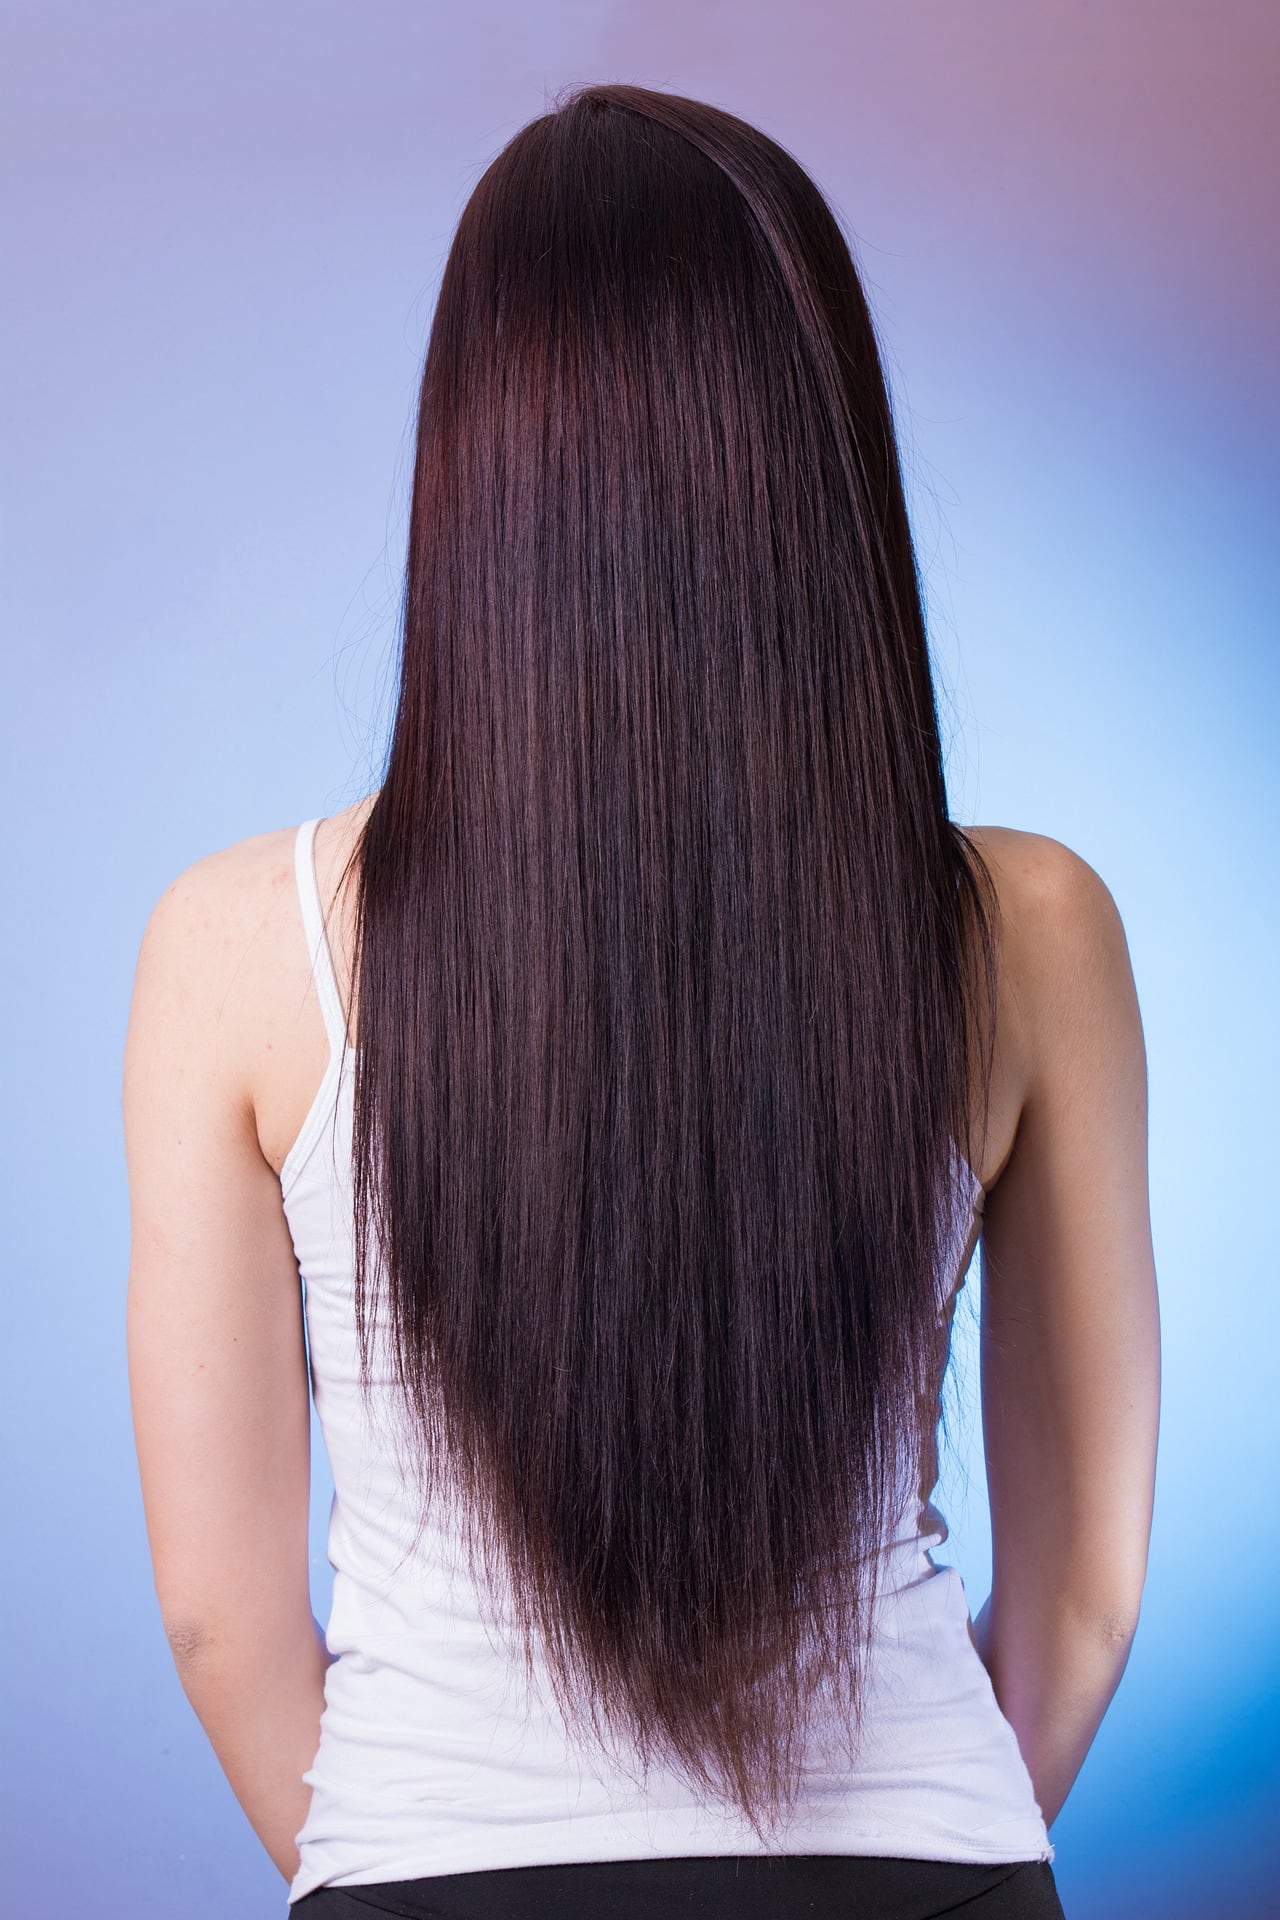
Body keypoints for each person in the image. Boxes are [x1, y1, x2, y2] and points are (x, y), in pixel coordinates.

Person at [124, 82, 1159, 1920]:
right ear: (823, 461)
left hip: (433, 1879)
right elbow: (1082, 1606)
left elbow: (218, 1615)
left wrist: (409, 1854)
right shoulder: (1032, 929)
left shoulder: (234, 950)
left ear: (476, 480)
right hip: (919, 1877)